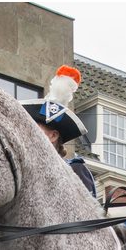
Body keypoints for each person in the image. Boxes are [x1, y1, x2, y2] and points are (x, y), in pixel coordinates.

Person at [21, 65, 97, 198]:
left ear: (53, 135)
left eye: (35, 128)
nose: (28, 132)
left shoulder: (75, 170)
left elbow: (90, 213)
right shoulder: (23, 170)